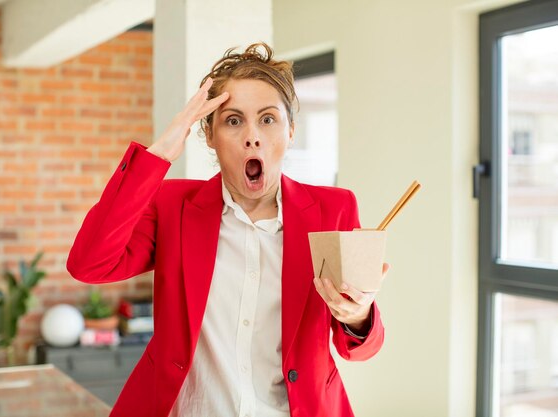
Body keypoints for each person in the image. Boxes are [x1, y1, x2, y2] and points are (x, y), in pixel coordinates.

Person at [67, 42, 388, 417]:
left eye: (267, 119)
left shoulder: (334, 209)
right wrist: (158, 155)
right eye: (233, 120)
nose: (252, 136)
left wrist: (357, 316)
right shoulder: (173, 206)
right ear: (209, 135)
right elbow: (89, 264)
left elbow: (361, 348)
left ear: (291, 131)